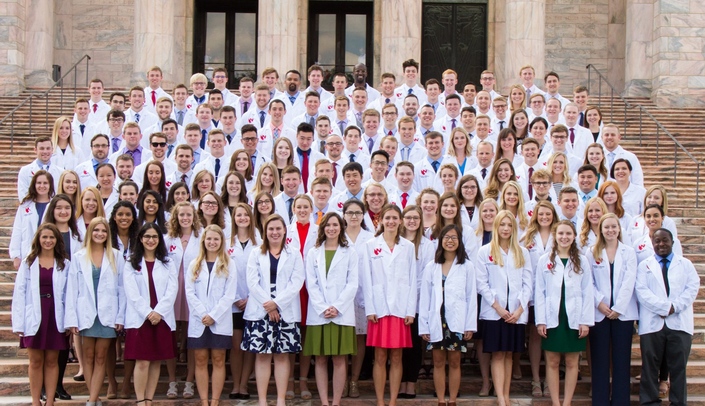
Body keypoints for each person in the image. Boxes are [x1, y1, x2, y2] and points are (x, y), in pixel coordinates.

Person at [243, 214, 305, 406]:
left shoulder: (294, 253)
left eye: (278, 228)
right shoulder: (255, 253)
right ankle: (262, 400)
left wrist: (277, 304)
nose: (275, 232)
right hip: (260, 311)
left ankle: (280, 400)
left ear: (284, 230)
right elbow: (252, 282)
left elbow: (297, 282)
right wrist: (268, 304)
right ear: (265, 232)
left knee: (282, 355)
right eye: (271, 229)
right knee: (262, 355)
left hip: (285, 312)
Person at [65, 217, 125, 406]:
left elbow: (122, 289)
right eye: (96, 230)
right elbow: (72, 289)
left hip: (108, 313)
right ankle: (94, 398)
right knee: (88, 356)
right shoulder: (79, 256)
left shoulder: (116, 255)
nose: (100, 234)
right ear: (90, 233)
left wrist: (120, 316)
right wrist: (72, 319)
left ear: (108, 234)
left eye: (104, 231)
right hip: (86, 313)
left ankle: (92, 400)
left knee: (101, 356)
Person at [360, 204, 417, 406]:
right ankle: (380, 401)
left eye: (395, 218)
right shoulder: (370, 245)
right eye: (387, 218)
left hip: (401, 309)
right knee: (380, 355)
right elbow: (366, 280)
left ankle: (392, 401)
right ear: (380, 220)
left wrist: (411, 311)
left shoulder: (408, 247)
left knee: (397, 356)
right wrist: (371, 309)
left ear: (400, 221)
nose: (391, 221)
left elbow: (412, 280)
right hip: (379, 308)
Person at [636, 228, 698, 406]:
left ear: (673, 242)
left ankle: (678, 402)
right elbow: (642, 292)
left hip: (679, 323)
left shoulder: (685, 264)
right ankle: (649, 402)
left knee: (678, 367)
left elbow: (692, 288)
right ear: (652, 243)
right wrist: (664, 307)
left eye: (665, 240)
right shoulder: (644, 265)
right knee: (650, 367)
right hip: (652, 323)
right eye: (657, 241)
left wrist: (674, 307)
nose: (661, 244)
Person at [534, 220, 594, 406]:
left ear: (574, 236)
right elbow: (540, 293)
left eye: (568, 233)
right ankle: (555, 402)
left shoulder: (582, 260)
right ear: (555, 235)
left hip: (574, 317)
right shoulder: (545, 261)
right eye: (560, 233)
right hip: (553, 316)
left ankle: (567, 402)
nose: (564, 237)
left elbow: (587, 292)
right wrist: (540, 320)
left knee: (571, 362)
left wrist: (585, 321)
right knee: (552, 361)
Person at [476, 210, 532, 406]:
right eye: (502, 225)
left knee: (509, 354)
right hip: (495, 313)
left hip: (515, 314)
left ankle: (506, 395)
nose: (506, 229)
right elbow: (481, 283)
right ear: (497, 227)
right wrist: (497, 307)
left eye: (510, 225)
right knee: (498, 354)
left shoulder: (522, 252)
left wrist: (519, 310)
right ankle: (500, 398)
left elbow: (528, 284)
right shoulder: (485, 251)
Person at [303, 212, 359, 406]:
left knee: (339, 359)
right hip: (319, 313)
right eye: (328, 225)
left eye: (335, 225)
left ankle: (335, 402)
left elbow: (352, 283)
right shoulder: (313, 252)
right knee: (319, 359)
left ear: (341, 227)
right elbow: (312, 284)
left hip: (341, 313)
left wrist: (337, 306)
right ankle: (324, 402)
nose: (331, 228)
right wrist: (323, 307)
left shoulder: (350, 252)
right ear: (322, 228)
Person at [11, 223, 70, 406]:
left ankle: (50, 401)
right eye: (44, 237)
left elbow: (69, 293)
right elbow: (19, 292)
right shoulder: (29, 262)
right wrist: (19, 323)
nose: (48, 240)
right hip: (34, 314)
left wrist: (69, 321)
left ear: (57, 240)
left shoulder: (64, 264)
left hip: (55, 314)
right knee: (35, 360)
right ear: (38, 239)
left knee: (52, 360)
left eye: (52, 237)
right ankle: (36, 402)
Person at [419, 224, 477, 406]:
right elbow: (425, 298)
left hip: (457, 320)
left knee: (454, 361)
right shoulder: (431, 266)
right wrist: (424, 325)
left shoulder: (467, 266)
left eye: (454, 238)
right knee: (437, 361)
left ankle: (452, 400)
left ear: (460, 242)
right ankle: (441, 400)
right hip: (437, 319)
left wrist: (469, 325)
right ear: (440, 241)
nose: (450, 241)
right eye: (446, 237)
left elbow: (471, 296)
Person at [586, 213, 638, 406]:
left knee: (621, 362)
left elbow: (629, 281)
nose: (610, 230)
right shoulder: (592, 252)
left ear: (619, 229)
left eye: (613, 227)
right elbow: (588, 282)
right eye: (606, 227)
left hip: (622, 315)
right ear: (600, 230)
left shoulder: (629, 252)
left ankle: (620, 401)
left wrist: (618, 307)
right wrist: (600, 303)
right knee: (600, 362)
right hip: (599, 313)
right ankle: (600, 401)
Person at [123, 223, 178, 405]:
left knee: (156, 361)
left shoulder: (168, 262)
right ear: (140, 239)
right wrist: (148, 313)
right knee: (143, 362)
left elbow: (172, 290)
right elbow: (131, 293)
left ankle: (149, 399)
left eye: (154, 237)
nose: (151, 240)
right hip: (141, 318)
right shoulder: (131, 262)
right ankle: (140, 401)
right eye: (147, 236)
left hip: (161, 318)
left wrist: (159, 312)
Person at [185, 224, 237, 406]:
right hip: (199, 320)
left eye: (216, 239)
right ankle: (204, 400)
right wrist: (202, 313)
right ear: (203, 241)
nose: (212, 242)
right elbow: (189, 292)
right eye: (209, 239)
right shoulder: (194, 264)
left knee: (218, 358)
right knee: (200, 359)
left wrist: (213, 315)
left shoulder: (228, 263)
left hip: (219, 320)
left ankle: (214, 401)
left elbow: (229, 295)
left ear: (222, 241)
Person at [520, 200, 558, 397]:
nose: (544, 217)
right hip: (534, 294)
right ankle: (536, 379)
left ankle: (550, 379)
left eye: (548, 214)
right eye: (540, 214)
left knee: (552, 336)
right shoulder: (527, 237)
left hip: (556, 294)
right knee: (535, 336)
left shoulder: (560, 235)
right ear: (535, 215)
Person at [165, 201, 202, 399]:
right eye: (181, 215)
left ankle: (189, 381)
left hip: (193, 292)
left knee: (191, 339)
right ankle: (172, 381)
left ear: (194, 216)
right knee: (172, 337)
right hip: (172, 292)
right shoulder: (167, 238)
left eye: (189, 214)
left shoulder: (201, 236)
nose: (185, 218)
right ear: (176, 217)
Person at [399, 205, 435, 398]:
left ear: (421, 221)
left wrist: (413, 296)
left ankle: (410, 382)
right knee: (399, 347)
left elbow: (424, 276)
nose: (412, 221)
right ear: (402, 220)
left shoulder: (428, 245)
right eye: (408, 217)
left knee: (413, 345)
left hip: (419, 303)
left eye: (416, 218)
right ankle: (399, 381)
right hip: (397, 303)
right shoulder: (396, 242)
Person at [342, 199, 375, 398]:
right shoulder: (337, 235)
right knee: (344, 337)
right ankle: (342, 379)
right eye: (350, 212)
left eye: (358, 213)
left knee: (359, 338)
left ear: (363, 215)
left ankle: (354, 380)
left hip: (363, 294)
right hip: (341, 296)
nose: (354, 216)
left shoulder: (370, 238)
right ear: (344, 214)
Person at [285, 194, 317, 399]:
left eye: (306, 207)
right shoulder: (286, 231)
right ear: (293, 209)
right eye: (299, 207)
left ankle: (303, 380)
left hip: (311, 289)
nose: (303, 210)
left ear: (311, 209)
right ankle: (288, 380)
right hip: (291, 289)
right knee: (290, 334)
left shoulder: (318, 230)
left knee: (305, 336)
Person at [228, 203, 258, 400]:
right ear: (234, 218)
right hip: (232, 303)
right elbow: (223, 273)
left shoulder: (259, 242)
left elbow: (261, 275)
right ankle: (236, 384)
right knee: (236, 346)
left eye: (246, 215)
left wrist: (250, 298)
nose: (242, 218)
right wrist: (237, 297)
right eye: (238, 215)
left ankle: (244, 384)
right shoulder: (226, 242)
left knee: (249, 347)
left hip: (254, 302)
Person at [10, 170, 55, 270]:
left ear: (50, 185)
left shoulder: (55, 205)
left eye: (45, 183)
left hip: (50, 252)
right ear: (34, 185)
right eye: (39, 183)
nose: (42, 186)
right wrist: (16, 255)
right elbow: (17, 230)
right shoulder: (25, 205)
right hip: (28, 252)